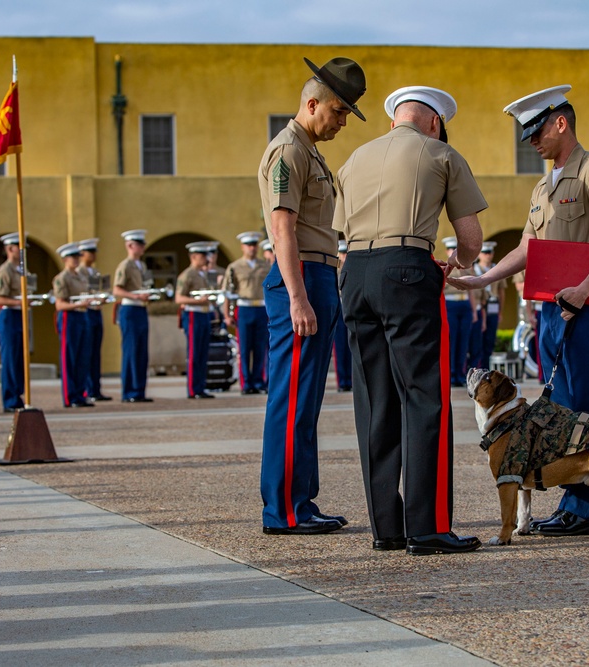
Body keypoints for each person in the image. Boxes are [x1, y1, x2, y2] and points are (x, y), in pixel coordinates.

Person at [450, 84, 589, 537]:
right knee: (561, 410)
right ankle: (573, 501)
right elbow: (528, 248)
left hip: (587, 305)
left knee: (587, 409)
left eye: (535, 131)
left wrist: (586, 284)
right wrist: (481, 279)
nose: (530, 141)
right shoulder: (542, 186)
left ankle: (586, 510)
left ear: (561, 122)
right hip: (553, 308)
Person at [334, 84, 486, 555]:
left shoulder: (355, 157)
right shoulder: (441, 153)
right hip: (407, 267)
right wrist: (457, 263)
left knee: (375, 400)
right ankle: (428, 525)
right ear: (435, 121)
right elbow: (471, 237)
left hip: (354, 272)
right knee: (424, 397)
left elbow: (340, 227)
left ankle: (387, 526)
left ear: (394, 118)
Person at [257, 56, 366, 536]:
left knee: (307, 399)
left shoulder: (310, 151)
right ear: (312, 103)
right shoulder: (288, 151)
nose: (342, 122)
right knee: (291, 397)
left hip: (319, 275)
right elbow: (283, 228)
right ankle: (283, 510)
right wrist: (298, 298)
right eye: (339, 112)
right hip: (299, 277)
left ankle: (302, 499)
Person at [223, 231, 271, 394]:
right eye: (248, 245)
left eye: (254, 245)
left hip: (262, 308)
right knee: (244, 348)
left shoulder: (265, 265)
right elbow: (227, 292)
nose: (252, 248)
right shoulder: (234, 267)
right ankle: (246, 383)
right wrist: (227, 315)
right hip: (243, 308)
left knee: (260, 347)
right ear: (243, 247)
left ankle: (258, 381)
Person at [112, 229, 154, 403]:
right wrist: (136, 296)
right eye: (139, 244)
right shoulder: (125, 265)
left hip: (140, 309)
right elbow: (117, 289)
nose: (143, 247)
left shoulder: (141, 266)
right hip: (130, 309)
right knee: (131, 350)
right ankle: (129, 391)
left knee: (142, 352)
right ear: (130, 245)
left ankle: (139, 390)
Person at [52, 242, 93, 408]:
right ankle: (70, 396)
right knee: (70, 357)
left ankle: (80, 393)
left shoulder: (81, 277)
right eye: (73, 257)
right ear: (64, 259)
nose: (76, 260)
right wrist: (80, 304)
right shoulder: (62, 278)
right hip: (70, 316)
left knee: (83, 357)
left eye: (78, 257)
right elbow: (60, 304)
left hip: (82, 315)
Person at [176, 242, 215, 399]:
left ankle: (200, 386)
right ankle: (193, 389)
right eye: (202, 255)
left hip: (204, 314)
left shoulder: (202, 274)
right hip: (193, 314)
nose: (206, 258)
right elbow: (179, 298)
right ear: (193, 257)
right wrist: (198, 301)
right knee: (194, 352)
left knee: (202, 352)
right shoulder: (187, 275)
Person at [0, 233, 27, 412]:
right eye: (18, 247)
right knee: (10, 359)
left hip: (19, 315)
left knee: (19, 359)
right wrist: (20, 302)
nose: (22, 251)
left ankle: (17, 395)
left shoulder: (21, 269)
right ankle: (9, 399)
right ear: (9, 249)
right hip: (9, 316)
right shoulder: (5, 270)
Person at [76, 238, 112, 402]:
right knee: (86, 353)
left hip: (96, 311)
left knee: (95, 353)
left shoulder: (95, 272)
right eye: (91, 252)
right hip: (87, 312)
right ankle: (86, 388)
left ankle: (95, 388)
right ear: (82, 254)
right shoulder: (79, 273)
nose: (94, 255)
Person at [442, 236, 477, 387]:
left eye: (454, 249)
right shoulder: (443, 267)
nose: (452, 252)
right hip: (450, 304)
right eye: (449, 249)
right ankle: (451, 374)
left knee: (463, 342)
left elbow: (472, 292)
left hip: (465, 304)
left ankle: (460, 374)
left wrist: (474, 311)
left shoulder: (467, 268)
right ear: (446, 251)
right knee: (452, 341)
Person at [474, 241, 507, 369]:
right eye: (485, 252)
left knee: (490, 339)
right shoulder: (474, 269)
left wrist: (500, 312)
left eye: (490, 252)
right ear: (479, 254)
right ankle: (476, 367)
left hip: (493, 305)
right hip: (479, 306)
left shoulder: (496, 268)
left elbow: (501, 292)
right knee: (477, 339)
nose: (488, 255)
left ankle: (485, 368)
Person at [332, 239, 352, 391]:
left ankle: (351, 379)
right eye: (342, 253)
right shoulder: (334, 269)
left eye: (346, 253)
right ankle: (342, 380)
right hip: (339, 304)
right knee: (339, 346)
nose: (344, 256)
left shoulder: (352, 267)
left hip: (351, 303)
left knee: (352, 344)